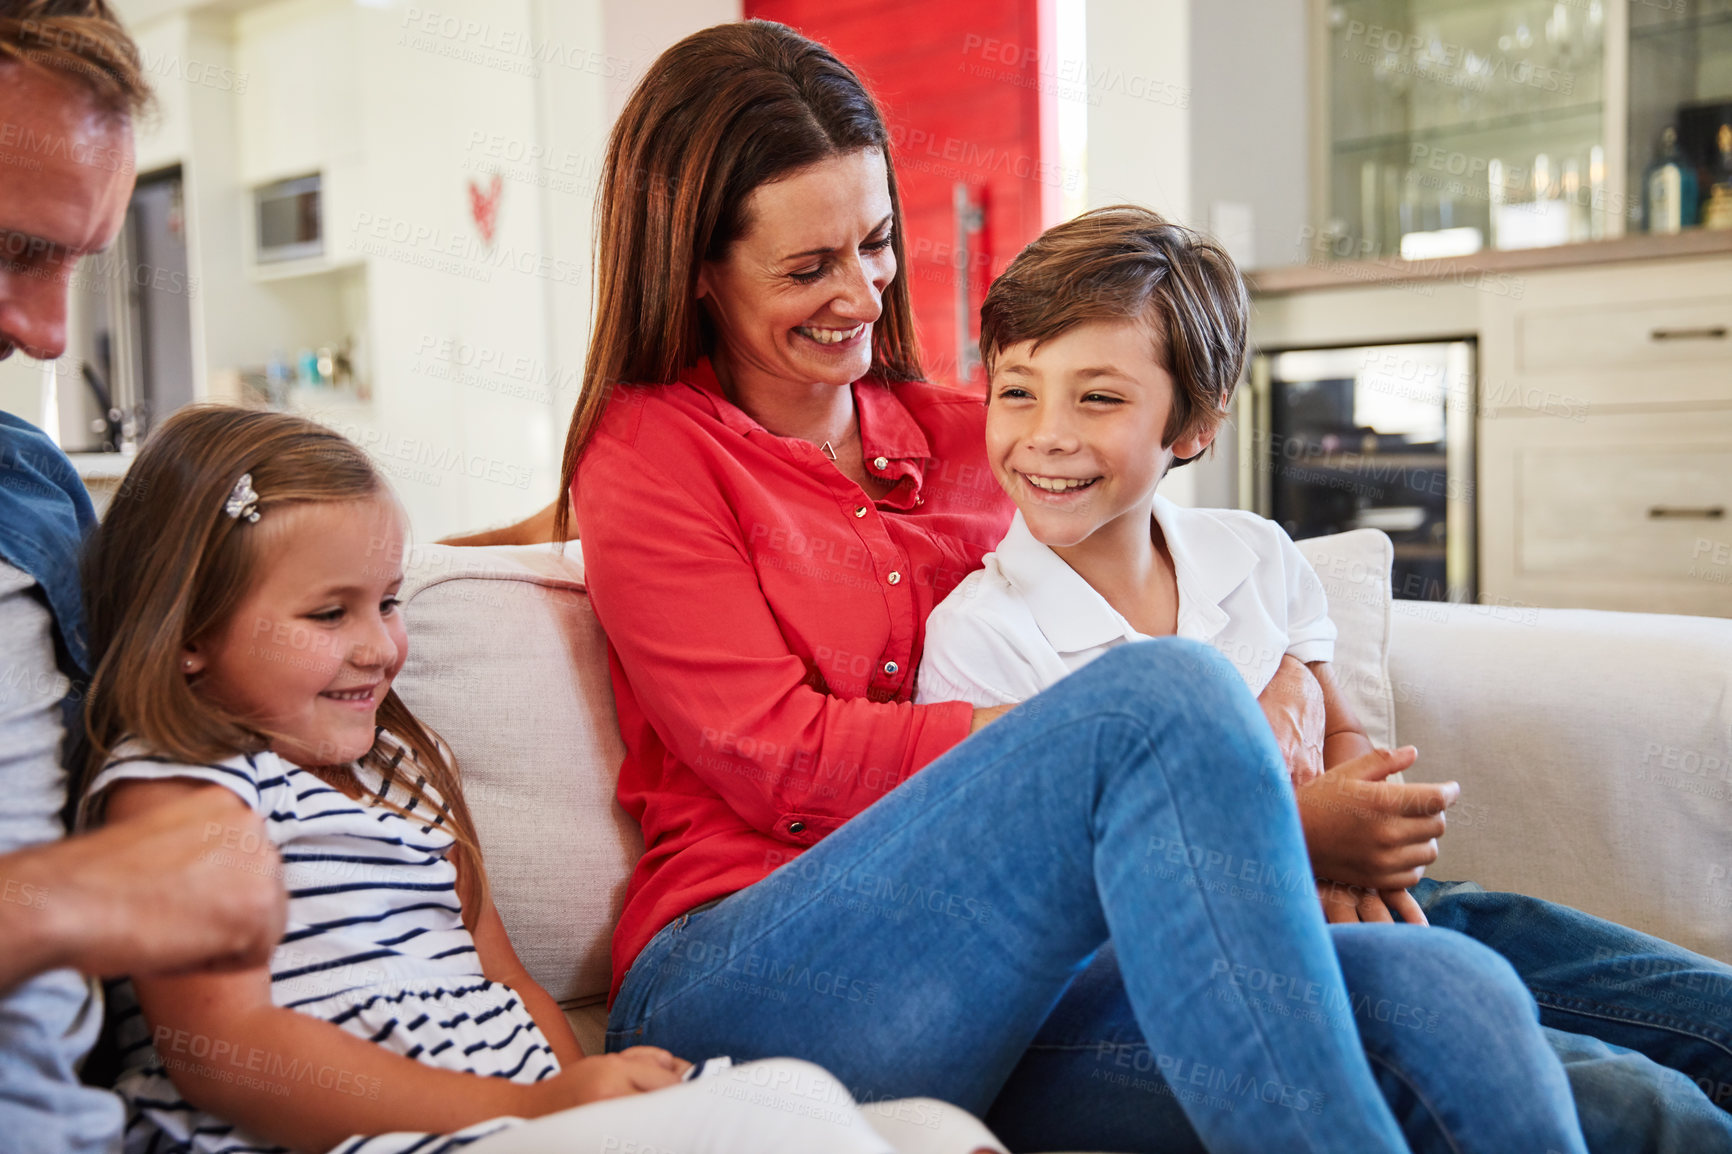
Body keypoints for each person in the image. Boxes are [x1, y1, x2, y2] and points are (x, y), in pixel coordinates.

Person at [487, 20, 1588, 1154]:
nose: (862, 295)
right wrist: (1126, 767)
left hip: (1025, 970)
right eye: (808, 268)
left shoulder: (982, 431)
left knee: (1453, 999)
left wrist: (1298, 687)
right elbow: (779, 757)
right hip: (756, 973)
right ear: (697, 272)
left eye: (875, 245)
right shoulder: (648, 450)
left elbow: (1191, 551)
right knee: (1158, 699)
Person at [915, 203, 1732, 1154]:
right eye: (1018, 392)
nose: (1047, 435)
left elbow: (1343, 736)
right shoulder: (979, 638)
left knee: (1706, 1013)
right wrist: (1310, 834)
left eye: (1098, 398)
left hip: (1388, 910)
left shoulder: (1253, 554)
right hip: (1218, 975)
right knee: (1642, 1105)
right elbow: (1053, 904)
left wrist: (1357, 824)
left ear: (1198, 423)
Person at [77, 403, 1007, 1154]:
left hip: (521, 1121)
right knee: (775, 1111)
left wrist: (581, 1097)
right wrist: (539, 1113)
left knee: (928, 1129)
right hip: (406, 1137)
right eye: (329, 613)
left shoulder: (402, 773)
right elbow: (228, 1054)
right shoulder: (184, 787)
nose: (379, 647)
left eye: (390, 602)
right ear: (189, 634)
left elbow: (510, 986)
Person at [0, 5, 285, 1150]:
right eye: (14, 249)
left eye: (77, 260)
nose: (52, 334)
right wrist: (66, 896)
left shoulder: (32, 492)